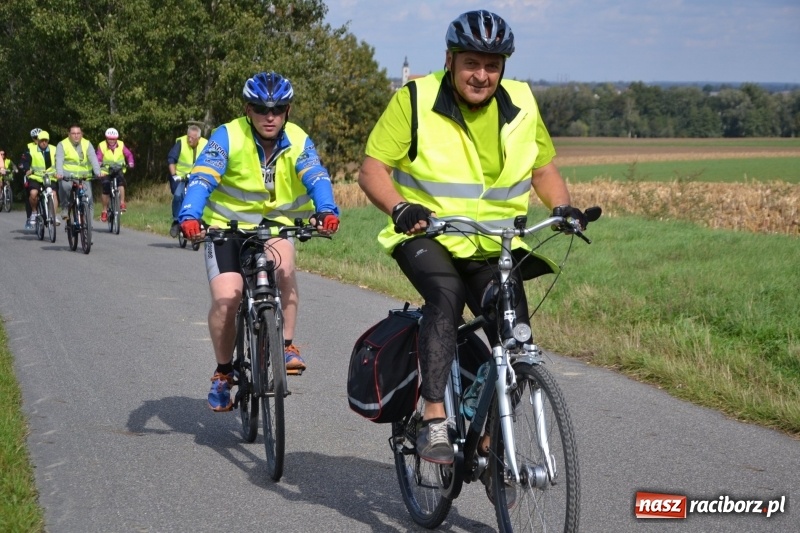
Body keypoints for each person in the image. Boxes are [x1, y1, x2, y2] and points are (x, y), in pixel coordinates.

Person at [358, 10, 589, 465]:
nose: (481, 75)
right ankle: (434, 418)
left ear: (503, 67)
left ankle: (488, 439)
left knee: (514, 329)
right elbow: (371, 170)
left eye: (492, 65)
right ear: (450, 60)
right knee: (445, 296)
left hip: (495, 242)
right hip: (428, 235)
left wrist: (561, 208)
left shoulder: (522, 102)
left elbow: (543, 169)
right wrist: (401, 208)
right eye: (471, 64)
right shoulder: (415, 99)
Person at [179, 71, 340, 412]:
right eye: (261, 109)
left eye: (278, 110)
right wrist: (190, 215)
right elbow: (203, 177)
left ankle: (287, 345)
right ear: (247, 109)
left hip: (275, 226)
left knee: (285, 270)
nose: (270, 117)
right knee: (227, 298)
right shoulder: (228, 135)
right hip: (226, 228)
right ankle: (224, 373)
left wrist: (326, 209)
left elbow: (316, 176)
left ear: (288, 111)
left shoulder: (297, 139)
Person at [167, 125, 207, 238]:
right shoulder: (181, 143)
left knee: (203, 198)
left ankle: (202, 222)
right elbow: (171, 159)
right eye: (188, 137)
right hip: (181, 178)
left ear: (198, 138)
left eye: (193, 138)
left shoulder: (206, 144)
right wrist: (174, 175)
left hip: (198, 177)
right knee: (178, 196)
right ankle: (176, 221)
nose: (190, 139)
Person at [56, 125, 102, 220]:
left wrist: (98, 172)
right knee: (65, 187)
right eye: (73, 133)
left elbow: (93, 158)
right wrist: (59, 173)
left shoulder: (87, 144)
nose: (76, 136)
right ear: (69, 134)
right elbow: (59, 160)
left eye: (78, 133)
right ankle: (65, 208)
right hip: (67, 176)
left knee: (88, 199)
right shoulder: (62, 144)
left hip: (84, 176)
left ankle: (88, 225)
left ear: (81, 134)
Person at [20, 131, 59, 228]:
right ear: (38, 141)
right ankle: (34, 212)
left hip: (50, 176)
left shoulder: (54, 149)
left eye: (46, 140)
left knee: (53, 194)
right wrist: (27, 169)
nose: (44, 143)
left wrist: (59, 172)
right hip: (35, 177)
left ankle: (53, 215)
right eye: (42, 141)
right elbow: (25, 161)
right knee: (33, 194)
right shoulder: (31, 149)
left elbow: (59, 161)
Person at [96, 127, 135, 222]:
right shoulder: (102, 145)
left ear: (117, 138)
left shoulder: (121, 144)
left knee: (121, 183)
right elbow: (98, 157)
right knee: (105, 188)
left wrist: (131, 162)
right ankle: (104, 210)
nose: (112, 141)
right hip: (106, 171)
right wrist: (99, 164)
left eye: (114, 139)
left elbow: (129, 155)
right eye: (109, 138)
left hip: (118, 169)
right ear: (106, 138)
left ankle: (122, 203)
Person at [19, 128, 42, 225]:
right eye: (35, 138)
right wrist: (25, 168)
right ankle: (30, 217)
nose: (37, 139)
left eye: (39, 137)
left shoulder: (48, 147)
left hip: (46, 175)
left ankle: (51, 214)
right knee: (29, 194)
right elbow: (24, 160)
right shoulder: (29, 147)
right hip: (32, 175)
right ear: (32, 138)